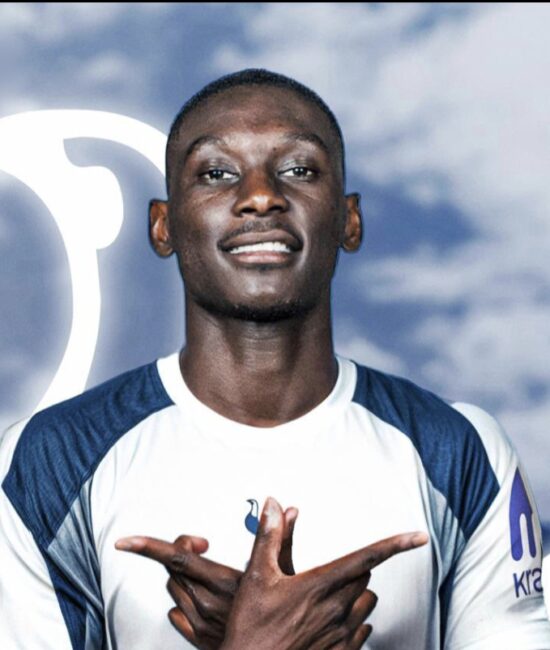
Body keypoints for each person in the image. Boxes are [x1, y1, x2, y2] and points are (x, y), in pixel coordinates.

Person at [0, 68, 548, 650]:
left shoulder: (460, 451)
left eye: (299, 170)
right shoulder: (47, 460)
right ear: (163, 226)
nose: (261, 196)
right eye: (216, 172)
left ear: (349, 219)